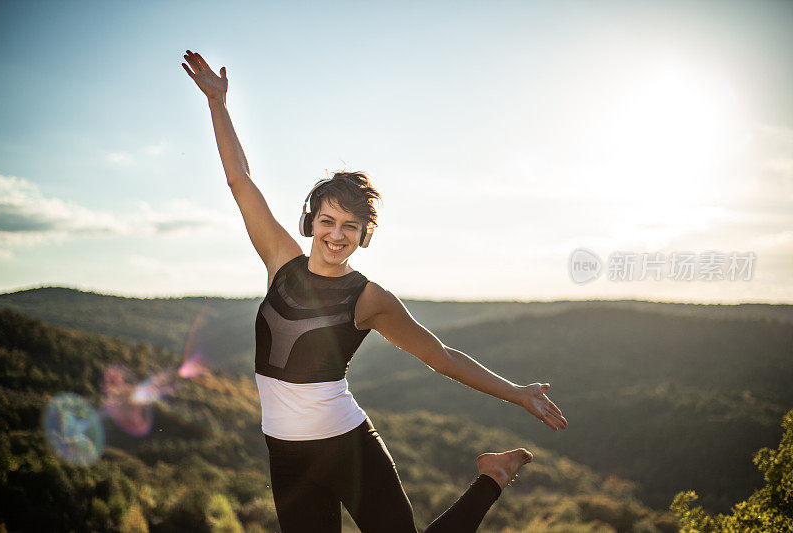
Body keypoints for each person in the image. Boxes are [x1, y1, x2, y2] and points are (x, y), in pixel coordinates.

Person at [182, 49, 568, 533]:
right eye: (327, 221)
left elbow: (441, 357)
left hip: (348, 448)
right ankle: (494, 473)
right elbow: (240, 180)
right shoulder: (281, 261)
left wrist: (517, 393)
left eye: (350, 225)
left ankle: (492, 476)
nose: (336, 234)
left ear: (364, 234)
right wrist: (218, 104)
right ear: (310, 222)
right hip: (284, 455)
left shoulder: (368, 298)